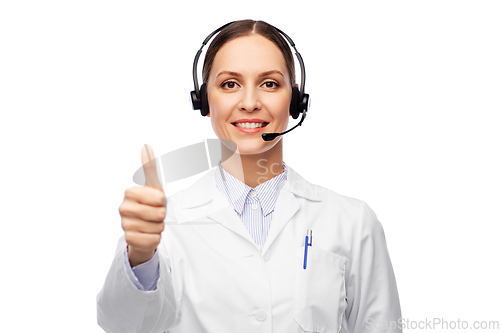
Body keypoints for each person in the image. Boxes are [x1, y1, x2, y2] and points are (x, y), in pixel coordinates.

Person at [96, 19, 402, 333]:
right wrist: (141, 255)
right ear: (204, 100)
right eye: (230, 84)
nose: (250, 103)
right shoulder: (165, 224)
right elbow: (124, 325)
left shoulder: (352, 221)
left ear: (295, 100)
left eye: (269, 84)